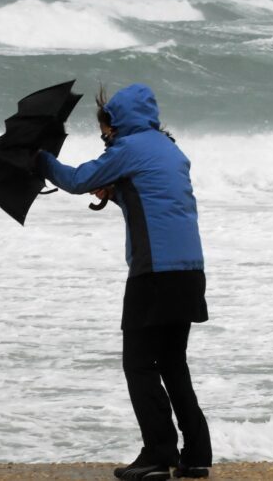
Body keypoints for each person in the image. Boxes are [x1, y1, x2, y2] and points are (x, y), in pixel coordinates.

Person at [35, 83, 212, 480]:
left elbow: (77, 179)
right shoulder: (169, 149)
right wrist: (116, 193)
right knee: (172, 363)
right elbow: (153, 196)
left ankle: (157, 454)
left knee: (139, 365)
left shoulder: (128, 149)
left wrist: (40, 160)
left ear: (116, 123)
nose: (104, 138)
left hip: (155, 272)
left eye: (104, 130)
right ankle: (197, 454)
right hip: (189, 271)